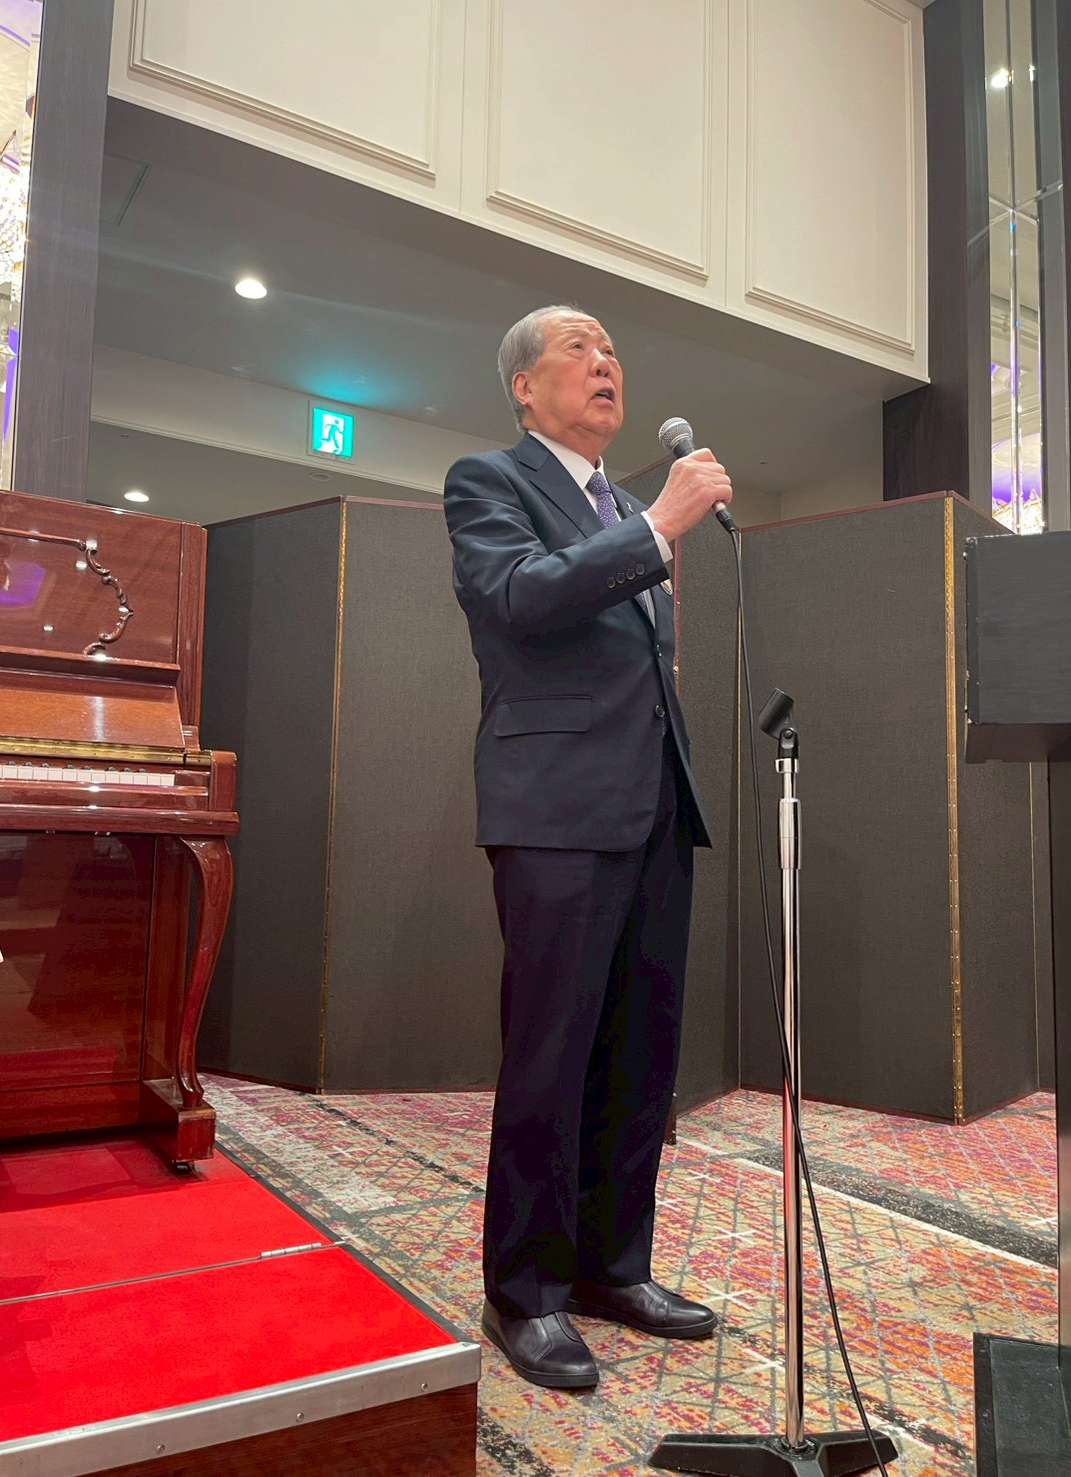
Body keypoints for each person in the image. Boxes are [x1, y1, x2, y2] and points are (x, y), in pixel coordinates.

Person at [443, 305, 733, 1390]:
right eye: (579, 347)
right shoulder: (489, 482)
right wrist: (656, 530)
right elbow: (519, 597)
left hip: (654, 804)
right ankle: (525, 1291)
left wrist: (645, 530)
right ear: (525, 385)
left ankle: (614, 1267)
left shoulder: (619, 505)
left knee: (640, 1052)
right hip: (555, 809)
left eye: (612, 349)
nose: (605, 361)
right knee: (551, 1055)